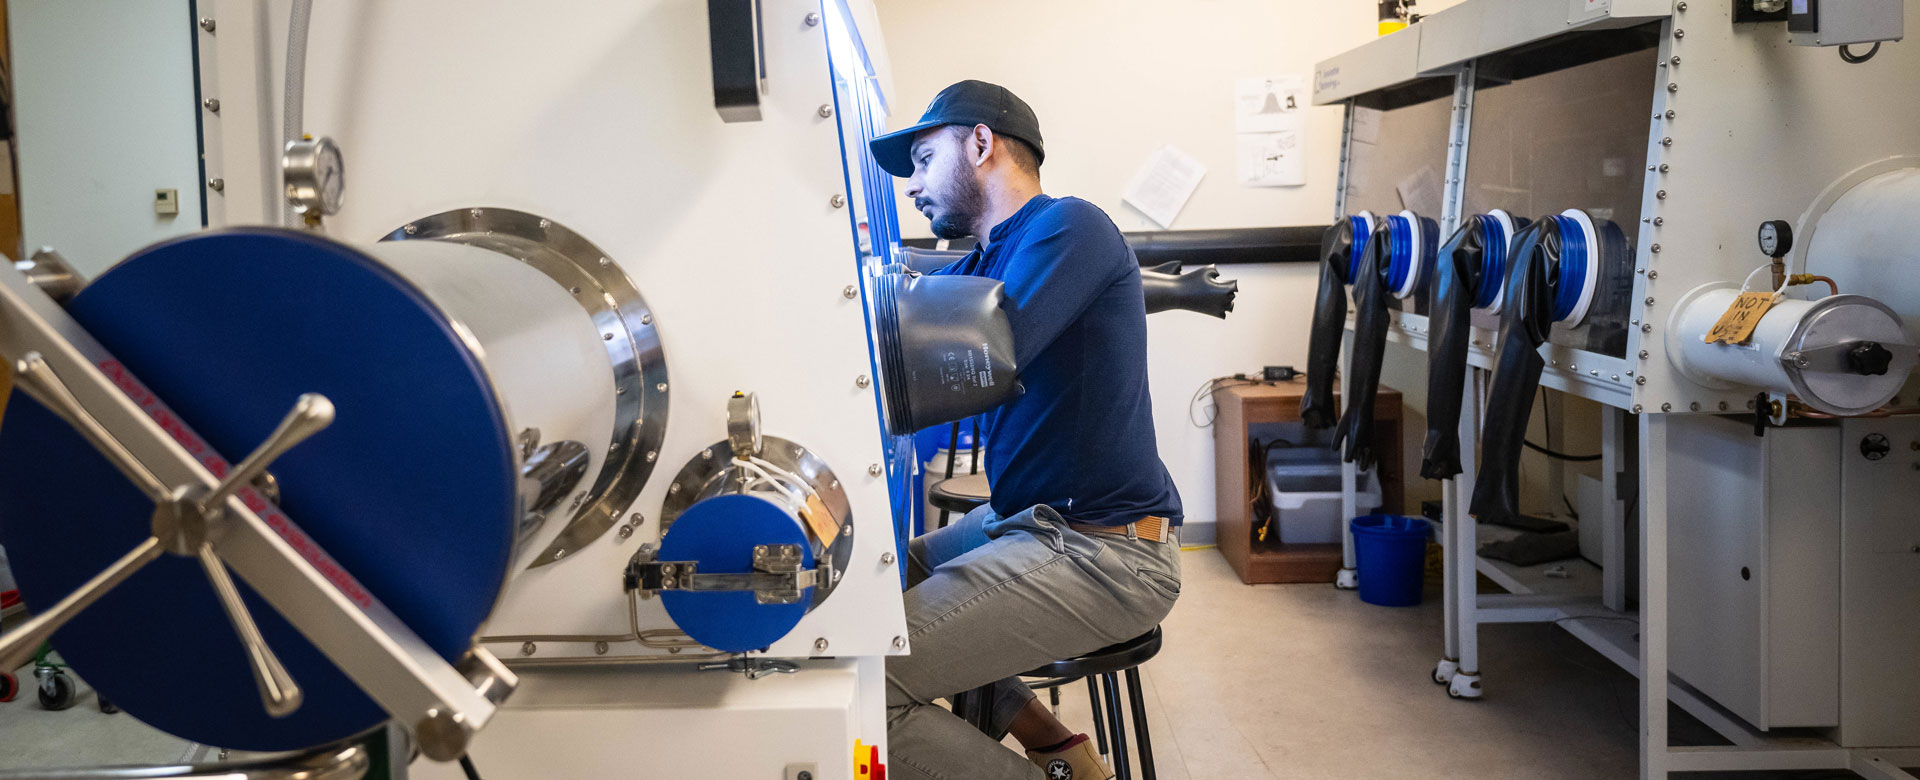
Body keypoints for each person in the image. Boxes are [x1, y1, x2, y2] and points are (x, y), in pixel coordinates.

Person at [868, 80, 1184, 780]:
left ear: (980, 143)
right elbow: (914, 284)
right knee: (877, 584)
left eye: (923, 160)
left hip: (1102, 550)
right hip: (1025, 520)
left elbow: (982, 351)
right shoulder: (994, 254)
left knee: (866, 684)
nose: (913, 187)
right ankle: (1053, 743)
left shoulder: (1069, 224)